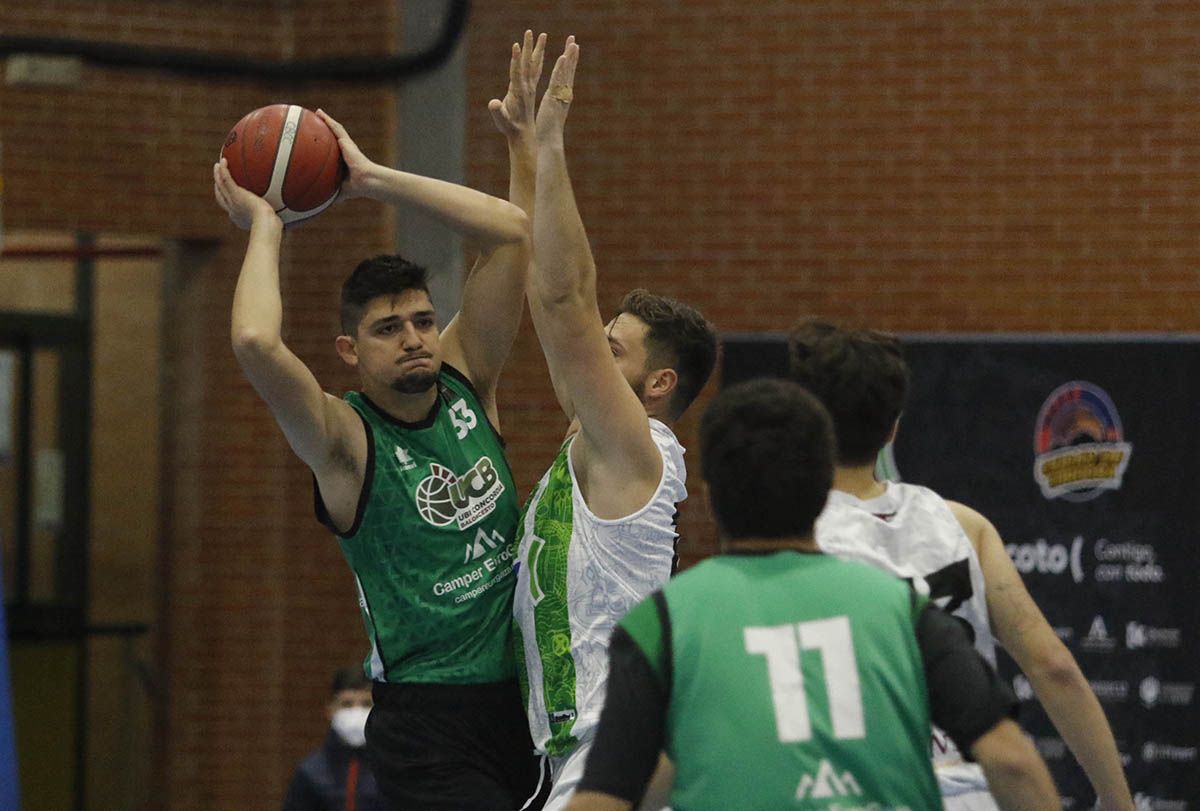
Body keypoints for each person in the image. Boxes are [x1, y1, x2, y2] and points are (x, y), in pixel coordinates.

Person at [213, 80, 548, 808]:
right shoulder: (343, 439)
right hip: (428, 723)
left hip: (525, 701)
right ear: (348, 348)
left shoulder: (467, 380)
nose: (415, 339)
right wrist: (267, 226)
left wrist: (367, 179)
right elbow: (252, 339)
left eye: (423, 321)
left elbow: (512, 230)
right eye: (388, 329)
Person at [566, 378, 1060, 811]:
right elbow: (1010, 760)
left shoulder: (664, 622)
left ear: (711, 493)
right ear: (824, 483)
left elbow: (607, 799)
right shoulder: (898, 608)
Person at [488, 35, 718, 810]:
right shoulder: (589, 442)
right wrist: (524, 155)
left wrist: (554, 145)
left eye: (610, 348)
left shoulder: (639, 448)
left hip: (613, 756)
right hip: (571, 760)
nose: (587, 352)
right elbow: (542, 296)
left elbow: (565, 302)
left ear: (657, 383)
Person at [790, 318, 1135, 811]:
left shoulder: (790, 536)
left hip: (857, 790)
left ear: (802, 423)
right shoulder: (963, 524)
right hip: (973, 791)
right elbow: (1053, 666)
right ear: (893, 428)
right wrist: (1117, 801)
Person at [283, 667, 386, 811]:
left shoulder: (394, 770)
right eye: (347, 704)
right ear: (330, 710)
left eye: (366, 704)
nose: (356, 712)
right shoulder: (310, 773)